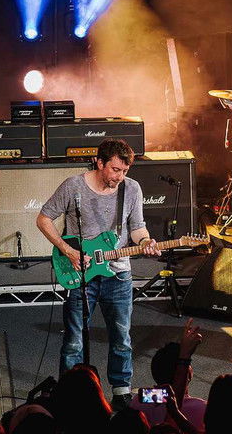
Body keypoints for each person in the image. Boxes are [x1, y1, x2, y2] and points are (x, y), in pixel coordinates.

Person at [36, 138, 161, 410]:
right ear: (99, 162)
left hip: (119, 274)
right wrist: (68, 251)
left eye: (124, 171)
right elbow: (43, 219)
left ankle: (121, 390)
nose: (120, 176)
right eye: (115, 169)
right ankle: (69, 394)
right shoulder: (73, 186)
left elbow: (137, 227)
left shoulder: (131, 188)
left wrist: (144, 242)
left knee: (122, 337)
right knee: (74, 341)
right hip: (81, 274)